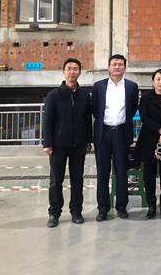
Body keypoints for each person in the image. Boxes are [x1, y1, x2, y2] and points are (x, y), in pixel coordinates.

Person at [42, 58, 92, 228]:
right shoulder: (54, 95)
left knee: (77, 179)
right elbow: (47, 121)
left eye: (75, 69)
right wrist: (47, 143)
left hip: (79, 145)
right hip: (58, 145)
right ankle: (54, 213)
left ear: (80, 72)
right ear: (63, 72)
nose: (72, 72)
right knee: (56, 180)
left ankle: (76, 211)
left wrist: (88, 140)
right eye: (69, 68)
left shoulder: (84, 95)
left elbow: (87, 120)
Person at [92, 54, 139, 221]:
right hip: (103, 133)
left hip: (121, 133)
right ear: (108, 67)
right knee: (102, 173)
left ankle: (122, 207)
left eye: (120, 64)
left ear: (125, 67)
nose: (117, 67)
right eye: (114, 64)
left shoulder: (132, 86)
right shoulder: (98, 86)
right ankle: (103, 209)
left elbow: (132, 109)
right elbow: (95, 109)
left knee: (121, 172)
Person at [136, 69, 161, 219]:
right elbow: (144, 117)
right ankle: (151, 206)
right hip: (148, 139)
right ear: (153, 81)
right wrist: (160, 129)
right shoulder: (146, 98)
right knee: (149, 174)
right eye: (158, 79)